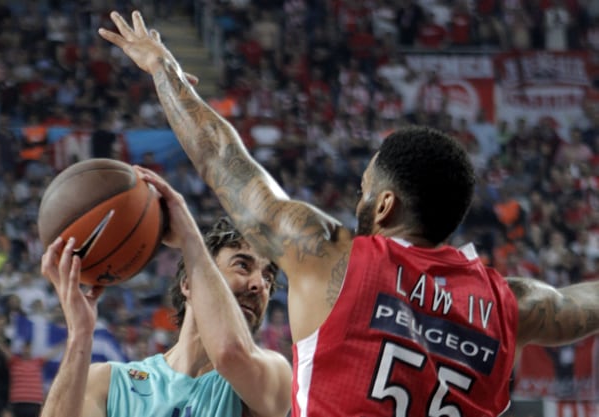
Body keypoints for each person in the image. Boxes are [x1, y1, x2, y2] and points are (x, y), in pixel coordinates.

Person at [100, 11, 599, 416]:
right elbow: (584, 305)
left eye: (364, 190)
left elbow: (222, 160)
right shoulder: (512, 303)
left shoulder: (331, 257)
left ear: (385, 205)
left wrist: (163, 70)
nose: (357, 201)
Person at [38, 167, 291, 417]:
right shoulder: (110, 383)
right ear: (189, 284)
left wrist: (189, 236)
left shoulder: (273, 375)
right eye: (242, 265)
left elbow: (229, 353)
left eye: (268, 278)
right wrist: (80, 335)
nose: (260, 285)